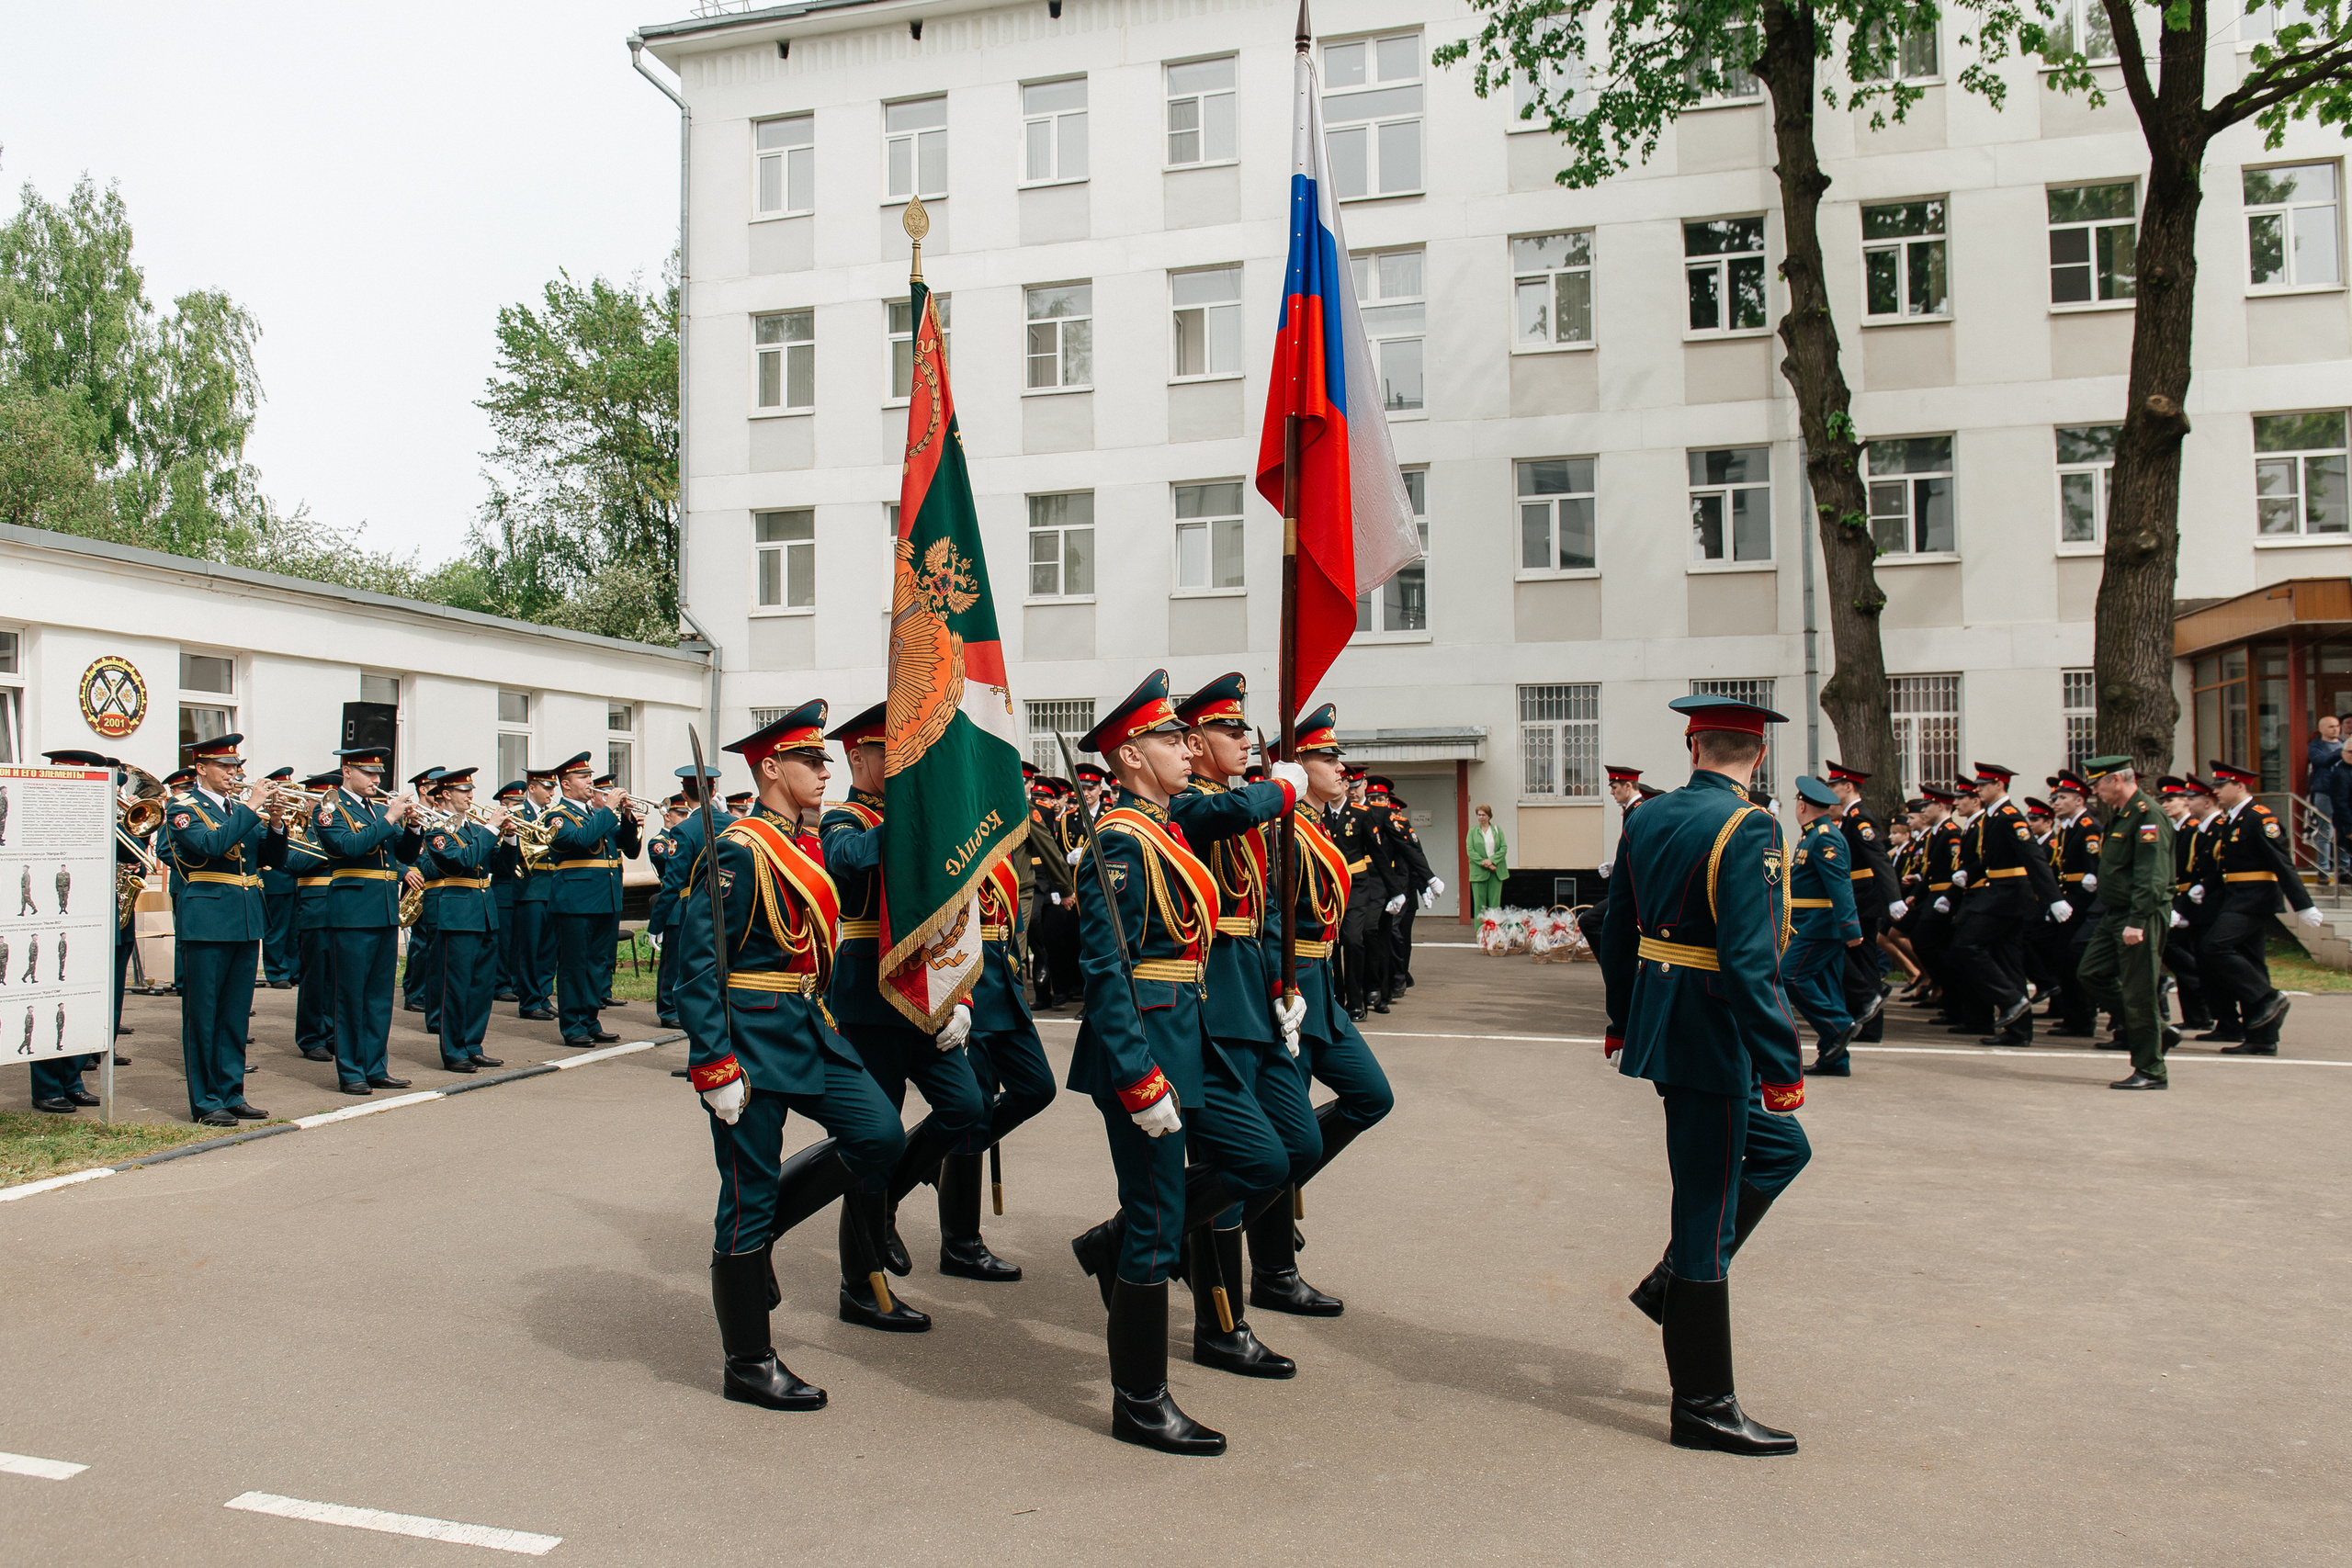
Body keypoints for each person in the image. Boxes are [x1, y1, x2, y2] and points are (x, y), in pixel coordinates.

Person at [1065, 671, 1295, 1456]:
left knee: (1266, 1159)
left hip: (1190, 1032)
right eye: (1169, 739)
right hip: (1145, 1045)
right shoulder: (1120, 840)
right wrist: (1137, 1077)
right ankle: (1141, 1400)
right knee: (1159, 1226)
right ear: (1131, 755)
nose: (1185, 749)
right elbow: (1106, 972)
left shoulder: (1163, 829)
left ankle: (1113, 1241)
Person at [671, 701, 910, 1413]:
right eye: (810, 759)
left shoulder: (803, 845)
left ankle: (767, 1230)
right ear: (771, 767)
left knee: (880, 1134)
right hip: (750, 1036)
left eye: (824, 760)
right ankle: (748, 1361)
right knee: (745, 1195)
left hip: (808, 1024)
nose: (824, 770)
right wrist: (713, 1064)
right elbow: (697, 967)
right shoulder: (739, 849)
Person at [1600, 694, 1808, 1456]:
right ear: (1759, 756)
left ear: (1692, 747)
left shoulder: (1646, 816)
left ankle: (1670, 1283)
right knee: (1706, 1213)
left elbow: (1616, 929)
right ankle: (1703, 1404)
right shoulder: (1750, 825)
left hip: (1666, 1019)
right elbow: (1751, 963)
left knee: (1782, 1150)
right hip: (1714, 1033)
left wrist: (1622, 1017)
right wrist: (1782, 1063)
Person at [818, 702, 987, 1330]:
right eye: (891, 752)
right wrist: (917, 810)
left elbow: (956, 906)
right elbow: (852, 859)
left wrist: (962, 994)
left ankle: (887, 1201)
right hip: (870, 995)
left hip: (929, 987)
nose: (904, 762)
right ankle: (859, 1286)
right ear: (858, 758)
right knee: (873, 1139)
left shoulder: (919, 814)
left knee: (966, 1107)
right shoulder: (843, 818)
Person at [1163, 672, 1318, 1348]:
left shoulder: (1238, 804)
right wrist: (1281, 789)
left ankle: (1158, 1230)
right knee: (1231, 1158)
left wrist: (1285, 983)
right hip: (1213, 997)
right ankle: (1220, 1323)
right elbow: (1214, 818)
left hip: (1255, 990)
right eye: (1230, 729)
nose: (1242, 739)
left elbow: (1266, 906)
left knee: (1297, 1144)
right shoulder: (1186, 804)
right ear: (1195, 743)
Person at [1251, 701, 1396, 1317]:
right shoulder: (1278, 826)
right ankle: (1274, 1272)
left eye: (1339, 757)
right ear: (1296, 763)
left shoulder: (1315, 822)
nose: (1341, 767)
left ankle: (1267, 1197)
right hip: (1288, 989)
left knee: (1371, 1096)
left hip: (1320, 985)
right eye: (1327, 756)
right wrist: (1279, 986)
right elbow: (1263, 916)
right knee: (1292, 1138)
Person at [166, 734, 288, 1126]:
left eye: (235, 767)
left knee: (235, 1015)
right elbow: (212, 845)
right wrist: (252, 807)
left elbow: (272, 859)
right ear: (201, 768)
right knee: (204, 1015)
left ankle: (232, 1092)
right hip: (208, 919)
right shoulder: (183, 808)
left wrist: (276, 823)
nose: (232, 773)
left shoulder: (237, 808)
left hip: (245, 917)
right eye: (224, 766)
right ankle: (206, 1100)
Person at [312, 745, 424, 1095]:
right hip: (352, 912)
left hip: (383, 910)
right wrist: (390, 819)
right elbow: (350, 847)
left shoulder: (376, 809)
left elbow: (402, 855)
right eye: (368, 773)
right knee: (350, 996)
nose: (376, 780)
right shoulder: (330, 808)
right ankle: (351, 1071)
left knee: (379, 997)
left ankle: (375, 1067)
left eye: (378, 774)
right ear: (347, 771)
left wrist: (413, 828)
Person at [2201, 761, 2324, 1055]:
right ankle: (2262, 1037)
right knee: (2252, 963)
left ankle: (2268, 997)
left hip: (2254, 898)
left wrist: (2303, 904)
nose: (2216, 791)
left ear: (2239, 785)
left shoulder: (2259, 818)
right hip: (2236, 896)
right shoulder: (2233, 818)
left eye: (2221, 785)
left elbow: (2281, 863)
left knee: (2214, 946)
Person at [2073, 757, 2181, 1089]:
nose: (2094, 791)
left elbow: (2152, 875)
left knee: (2139, 991)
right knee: (2091, 972)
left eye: (2097, 783)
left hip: (2139, 913)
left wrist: (2137, 921)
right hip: (2117, 912)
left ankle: (2151, 1070)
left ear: (2116, 780)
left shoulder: (2148, 815)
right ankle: (2157, 1031)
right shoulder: (2123, 814)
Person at [1951, 763, 2065, 1047]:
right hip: (2000, 891)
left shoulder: (2010, 816)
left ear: (1999, 785)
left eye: (1983, 785)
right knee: (2009, 961)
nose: (1977, 789)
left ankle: (2011, 1000)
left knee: (1966, 945)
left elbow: (2033, 857)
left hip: (2008, 894)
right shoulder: (1993, 815)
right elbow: (1992, 857)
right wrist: (1970, 873)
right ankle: (2019, 1031)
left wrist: (2054, 898)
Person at [414, 768, 508, 1075]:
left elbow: (501, 867)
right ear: (446, 794)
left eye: (470, 790)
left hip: (483, 911)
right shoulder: (437, 831)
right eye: (464, 791)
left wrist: (508, 838)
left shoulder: (474, 828)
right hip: (456, 914)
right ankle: (454, 1051)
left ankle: (473, 1045)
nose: (470, 795)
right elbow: (462, 861)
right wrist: (492, 829)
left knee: (481, 986)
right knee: (455, 986)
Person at [543, 753, 639, 1046]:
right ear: (566, 784)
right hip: (576, 900)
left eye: (590, 776)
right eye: (583, 777)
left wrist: (626, 818)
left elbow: (630, 849)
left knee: (598, 964)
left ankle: (590, 1020)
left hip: (605, 898)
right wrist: (608, 810)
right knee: (574, 965)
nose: (590, 782)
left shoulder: (594, 814)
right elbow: (579, 840)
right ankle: (573, 1026)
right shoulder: (557, 816)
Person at [1785, 777, 1861, 1077]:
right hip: (1813, 925)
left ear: (1802, 806)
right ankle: (1835, 1060)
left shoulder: (1825, 838)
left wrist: (1851, 927)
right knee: (1829, 989)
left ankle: (1840, 1026)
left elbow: (1839, 885)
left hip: (1820, 926)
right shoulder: (1813, 835)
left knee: (1790, 976)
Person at [1823, 762, 1899, 1046]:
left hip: (1863, 898)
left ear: (1848, 787)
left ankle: (1868, 1012)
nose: (1831, 790)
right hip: (1860, 896)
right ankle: (1869, 1022)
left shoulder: (1860, 817)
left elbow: (1878, 858)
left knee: (1856, 959)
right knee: (1864, 962)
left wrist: (1894, 897)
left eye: (1834, 785)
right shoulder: (1850, 817)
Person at [286, 768, 342, 1064]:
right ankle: (311, 1037)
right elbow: (293, 862)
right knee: (316, 977)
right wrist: (328, 841)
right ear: (308, 803)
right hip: (315, 908)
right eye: (318, 800)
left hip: (345, 906)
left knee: (339, 978)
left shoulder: (343, 825)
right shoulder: (302, 830)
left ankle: (334, 1034)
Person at [2041, 772, 2103, 1038]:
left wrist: (2093, 874)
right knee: (2061, 956)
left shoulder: (2088, 826)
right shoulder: (2069, 827)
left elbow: (2094, 861)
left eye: (2062, 798)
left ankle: (2083, 1018)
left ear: (2079, 800)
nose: (2056, 803)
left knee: (2073, 956)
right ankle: (2073, 1016)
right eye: (2055, 798)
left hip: (2084, 899)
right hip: (2071, 896)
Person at [510, 767, 560, 1020]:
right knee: (528, 948)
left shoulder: (555, 815)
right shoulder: (518, 814)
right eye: (547, 787)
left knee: (549, 949)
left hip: (553, 886)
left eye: (553, 788)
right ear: (532, 788)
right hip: (529, 887)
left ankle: (543, 995)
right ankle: (529, 1001)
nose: (552, 792)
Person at [399, 767, 446, 1019]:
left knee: (432, 943)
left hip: (435, 881)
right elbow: (394, 848)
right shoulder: (408, 814)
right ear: (423, 789)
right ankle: (415, 994)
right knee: (420, 942)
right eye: (434, 788)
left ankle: (424, 991)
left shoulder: (440, 815)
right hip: (416, 880)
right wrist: (404, 871)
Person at [256, 765, 301, 989]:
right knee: (276, 929)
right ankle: (277, 972)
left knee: (294, 929)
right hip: (274, 877)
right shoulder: (263, 814)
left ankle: (294, 970)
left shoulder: (295, 814)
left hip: (295, 877)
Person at [489, 779, 527, 1002]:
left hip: (523, 888)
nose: (520, 807)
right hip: (504, 887)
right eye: (516, 803)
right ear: (504, 804)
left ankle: (516, 982)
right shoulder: (495, 827)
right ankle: (501, 983)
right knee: (503, 941)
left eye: (523, 802)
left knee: (519, 942)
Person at [2308, 716, 2345, 884]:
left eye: (2337, 726)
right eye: (2331, 726)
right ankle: (2323, 871)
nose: (2335, 729)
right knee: (2325, 831)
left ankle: (2345, 870)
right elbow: (2322, 761)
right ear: (2321, 729)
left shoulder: (2344, 743)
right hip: (2325, 793)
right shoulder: (2315, 746)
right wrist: (2343, 751)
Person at [1466, 804, 1508, 918]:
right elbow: (1470, 851)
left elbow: (1503, 848)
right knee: (1479, 904)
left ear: (1489, 816)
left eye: (1483, 815)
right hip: (1478, 872)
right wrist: (1485, 863)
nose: (1481, 817)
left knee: (1495, 903)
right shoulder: (1472, 832)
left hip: (1496, 871)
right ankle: (1480, 928)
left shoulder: (1497, 830)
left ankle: (1494, 927)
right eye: (1479, 815)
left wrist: (1492, 861)